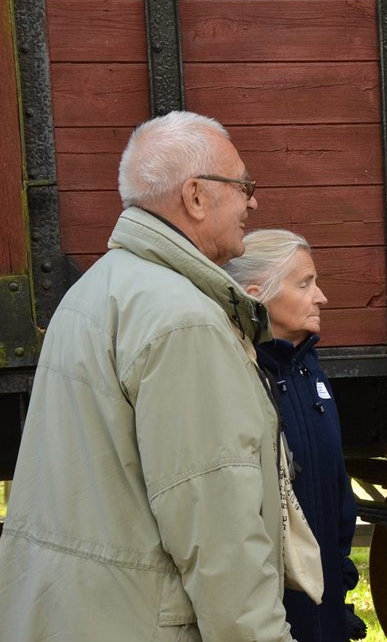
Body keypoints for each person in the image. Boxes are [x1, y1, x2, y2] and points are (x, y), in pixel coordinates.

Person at [0, 111, 296, 641]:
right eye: (244, 186)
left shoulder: (99, 290)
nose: (254, 202)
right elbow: (217, 528)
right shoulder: (183, 319)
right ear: (196, 197)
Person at [225, 229, 366, 642]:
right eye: (305, 284)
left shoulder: (309, 369)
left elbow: (336, 483)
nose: (321, 297)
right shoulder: (240, 377)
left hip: (324, 609)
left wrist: (339, 582)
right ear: (257, 295)